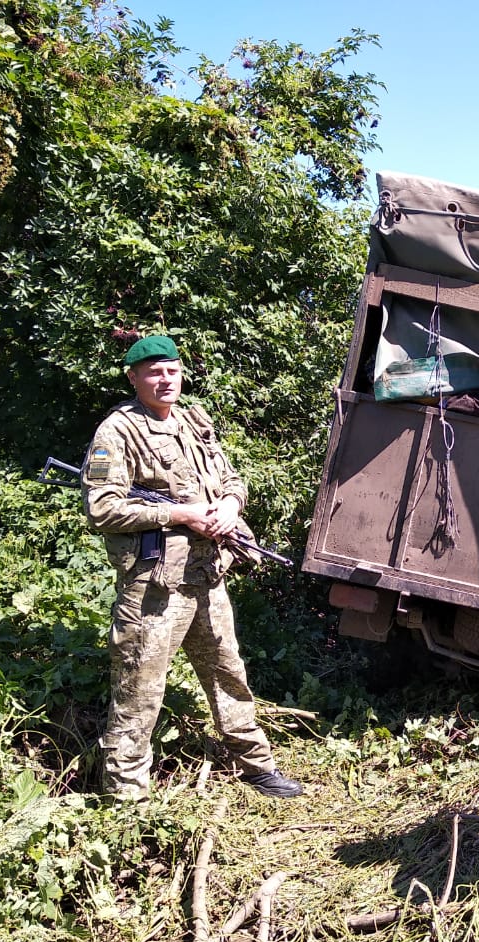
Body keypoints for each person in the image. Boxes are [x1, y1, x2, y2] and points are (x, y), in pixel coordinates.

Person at [81, 334, 303, 801]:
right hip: (155, 588)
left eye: (172, 370)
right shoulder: (117, 432)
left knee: (229, 673)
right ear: (134, 378)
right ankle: (125, 800)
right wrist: (181, 515)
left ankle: (257, 766)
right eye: (154, 372)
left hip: (207, 577)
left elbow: (231, 478)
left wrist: (227, 504)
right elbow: (101, 509)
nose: (166, 380)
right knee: (139, 691)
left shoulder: (193, 420)